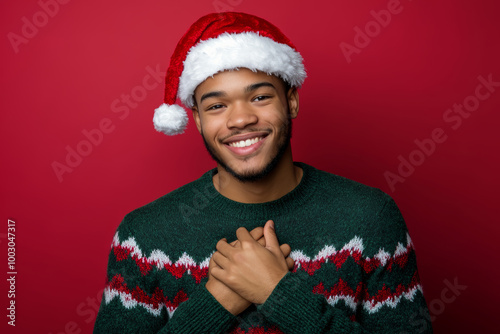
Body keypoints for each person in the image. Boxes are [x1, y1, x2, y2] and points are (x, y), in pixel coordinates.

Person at [94, 12, 433, 334]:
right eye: (216, 105)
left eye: (259, 97)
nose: (240, 119)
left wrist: (277, 293)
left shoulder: (370, 218)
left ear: (292, 102)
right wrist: (216, 303)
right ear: (197, 119)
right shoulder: (145, 236)